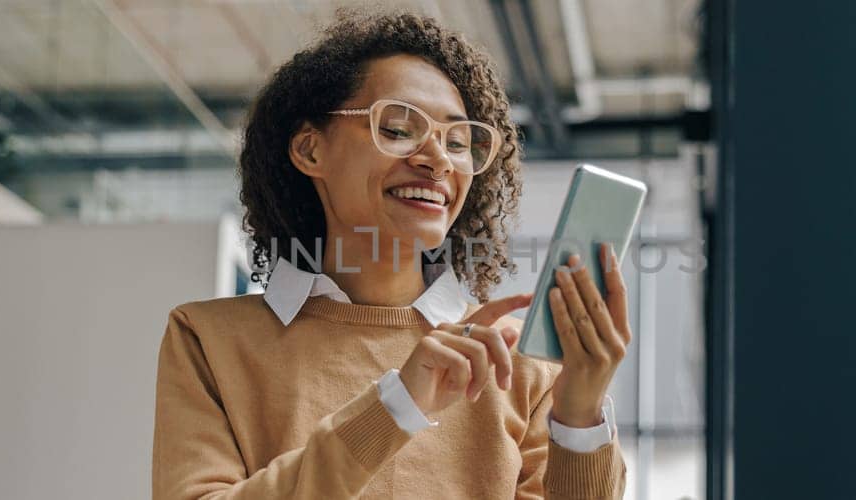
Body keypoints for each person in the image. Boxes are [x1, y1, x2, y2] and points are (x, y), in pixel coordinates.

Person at [152, 11, 631, 499]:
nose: (438, 159)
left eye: (459, 142)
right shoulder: (209, 341)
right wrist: (395, 407)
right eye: (400, 129)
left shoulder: (522, 372)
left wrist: (579, 418)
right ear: (310, 150)